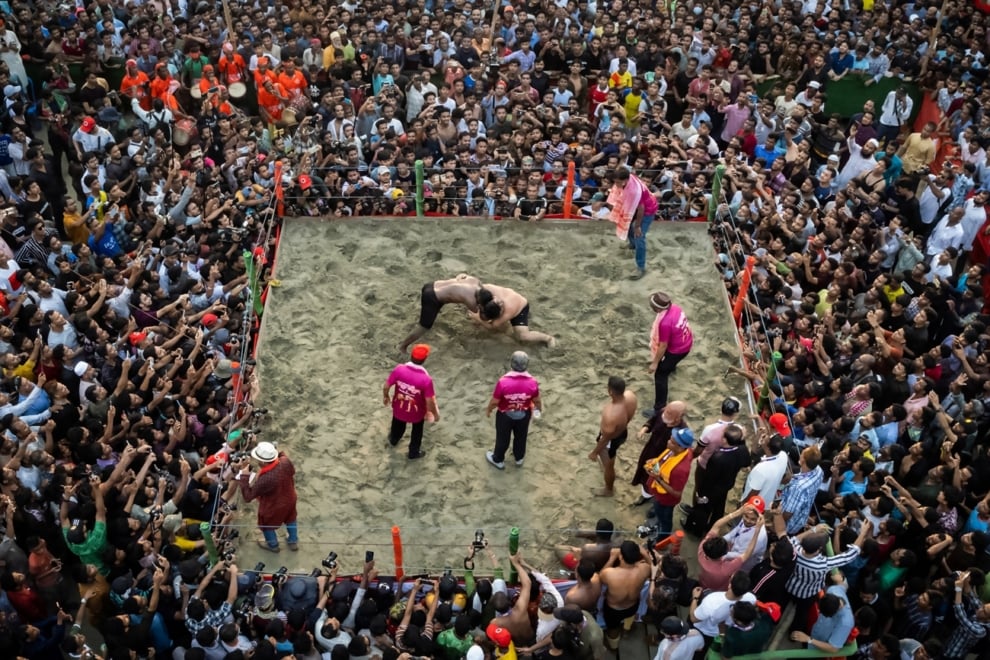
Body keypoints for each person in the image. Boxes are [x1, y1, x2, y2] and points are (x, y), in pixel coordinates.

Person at [234, 441, 299, 553]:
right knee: (291, 518)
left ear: (263, 461)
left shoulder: (266, 478)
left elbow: (248, 497)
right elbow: (284, 459)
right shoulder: (285, 461)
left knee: (266, 524)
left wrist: (244, 476)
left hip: (273, 506)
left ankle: (273, 545)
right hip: (290, 498)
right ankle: (293, 540)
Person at [398, 273, 488, 353]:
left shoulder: (475, 281)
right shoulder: (471, 299)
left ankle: (428, 313)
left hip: (432, 285)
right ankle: (403, 346)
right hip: (432, 297)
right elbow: (477, 313)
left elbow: (461, 275)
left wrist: (459, 279)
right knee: (424, 326)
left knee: (432, 310)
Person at [485, 351, 542, 470]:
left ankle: (498, 459)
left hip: (505, 415)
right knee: (521, 437)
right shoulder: (533, 382)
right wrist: (538, 410)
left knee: (502, 438)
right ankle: (519, 458)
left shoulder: (503, 382)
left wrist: (489, 409)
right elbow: (537, 401)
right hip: (523, 413)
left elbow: (495, 402)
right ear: (527, 365)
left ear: (511, 364)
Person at [383, 343, 438, 460]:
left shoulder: (399, 369)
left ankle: (394, 440)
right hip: (417, 413)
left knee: (397, 426)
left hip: (399, 408)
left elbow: (386, 386)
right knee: (417, 432)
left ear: (411, 355)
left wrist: (386, 396)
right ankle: (413, 452)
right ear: (424, 359)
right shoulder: (426, 379)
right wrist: (434, 414)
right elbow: (429, 401)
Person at [643, 427, 695, 541]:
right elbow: (664, 460)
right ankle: (658, 521)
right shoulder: (681, 451)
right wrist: (654, 462)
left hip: (666, 499)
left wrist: (658, 479)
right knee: (658, 511)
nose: (668, 441)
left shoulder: (680, 469)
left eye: (672, 442)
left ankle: (662, 538)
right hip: (658, 491)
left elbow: (676, 493)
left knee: (665, 519)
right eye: (671, 439)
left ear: (681, 447)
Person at [588, 375, 637, 497]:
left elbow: (605, 439)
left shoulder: (611, 416)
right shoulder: (631, 396)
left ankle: (609, 489)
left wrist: (594, 452)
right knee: (607, 457)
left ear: (610, 391)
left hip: (611, 439)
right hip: (622, 432)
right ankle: (606, 465)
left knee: (609, 465)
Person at [646, 292, 693, 414]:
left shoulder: (664, 323)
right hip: (686, 341)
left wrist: (655, 363)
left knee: (660, 375)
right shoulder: (676, 308)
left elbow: (663, 346)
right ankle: (671, 367)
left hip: (677, 350)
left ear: (657, 309)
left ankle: (659, 408)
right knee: (668, 365)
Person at [599, 540, 652, 649]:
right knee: (629, 616)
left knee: (613, 629)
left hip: (613, 610)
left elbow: (600, 577)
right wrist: (646, 555)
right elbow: (653, 567)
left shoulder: (610, 574)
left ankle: (614, 646)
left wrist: (612, 558)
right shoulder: (645, 569)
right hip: (633, 605)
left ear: (621, 557)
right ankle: (626, 630)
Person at [608, 167, 659, 279]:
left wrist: (638, 226)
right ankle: (632, 244)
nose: (615, 185)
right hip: (637, 207)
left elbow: (641, 208)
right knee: (629, 226)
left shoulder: (634, 190)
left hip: (647, 210)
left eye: (617, 182)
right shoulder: (627, 177)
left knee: (639, 236)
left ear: (624, 181)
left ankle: (640, 267)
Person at [475, 283, 557, 347]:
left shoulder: (509, 309)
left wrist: (476, 317)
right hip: (503, 304)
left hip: (520, 308)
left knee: (523, 336)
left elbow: (493, 325)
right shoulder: (486, 290)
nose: (501, 303)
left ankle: (548, 338)